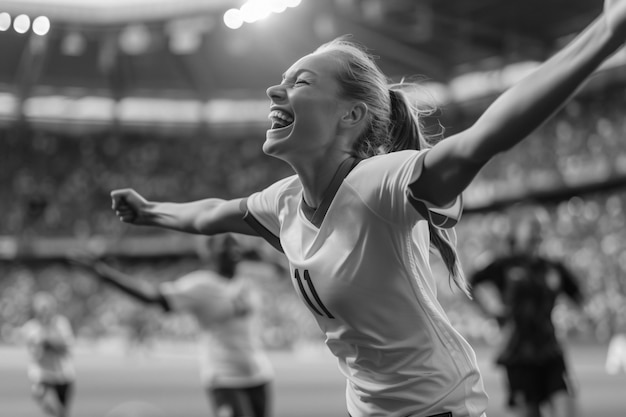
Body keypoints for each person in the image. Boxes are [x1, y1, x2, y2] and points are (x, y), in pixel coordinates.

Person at [106, 3, 626, 415]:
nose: (274, 89)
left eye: (300, 83)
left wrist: (605, 34)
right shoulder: (281, 204)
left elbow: (481, 140)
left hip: (436, 411)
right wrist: (150, 210)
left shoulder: (382, 185)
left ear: (351, 115)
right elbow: (209, 214)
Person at [70, 234, 274, 417]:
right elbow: (151, 296)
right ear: (209, 253)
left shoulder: (249, 279)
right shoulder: (200, 285)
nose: (232, 248)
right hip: (225, 376)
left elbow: (290, 266)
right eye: (225, 244)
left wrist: (265, 254)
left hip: (259, 373)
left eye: (236, 244)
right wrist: (103, 273)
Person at [469, 213, 584, 417]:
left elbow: (578, 295)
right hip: (518, 355)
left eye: (538, 228)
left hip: (550, 351)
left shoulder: (552, 267)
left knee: (567, 409)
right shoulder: (503, 265)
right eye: (530, 226)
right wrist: (491, 310)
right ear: (517, 233)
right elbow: (470, 283)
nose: (535, 231)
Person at [21, 291, 76, 417]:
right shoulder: (30, 327)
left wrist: (49, 340)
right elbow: (33, 354)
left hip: (63, 374)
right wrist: (41, 344)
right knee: (42, 397)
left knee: (63, 412)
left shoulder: (61, 323)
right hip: (42, 374)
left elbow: (66, 348)